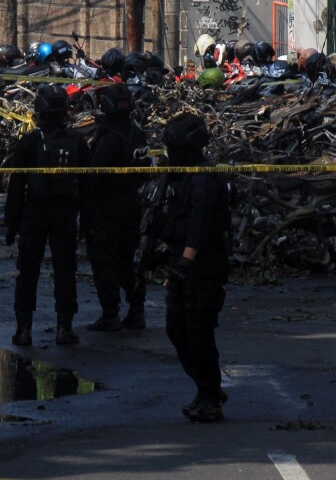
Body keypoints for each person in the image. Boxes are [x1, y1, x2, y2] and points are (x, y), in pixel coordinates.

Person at [157, 112, 232, 422]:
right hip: (183, 262)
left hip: (203, 266)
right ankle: (207, 389)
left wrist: (185, 262)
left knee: (198, 333)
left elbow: (199, 225)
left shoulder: (203, 179)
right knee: (177, 329)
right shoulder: (183, 177)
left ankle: (210, 394)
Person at [4, 83, 90, 347]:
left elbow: (17, 187)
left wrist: (11, 224)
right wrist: (85, 220)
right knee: (65, 270)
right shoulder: (77, 143)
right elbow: (86, 186)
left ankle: (23, 329)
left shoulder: (29, 142)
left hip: (35, 212)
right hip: (65, 212)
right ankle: (64, 328)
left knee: (28, 270)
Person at [85, 84, 148, 331]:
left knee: (105, 260)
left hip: (107, 207)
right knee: (128, 259)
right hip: (131, 204)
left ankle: (110, 313)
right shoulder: (137, 134)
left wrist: (87, 204)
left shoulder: (108, 137)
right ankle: (136, 309)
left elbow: (94, 174)